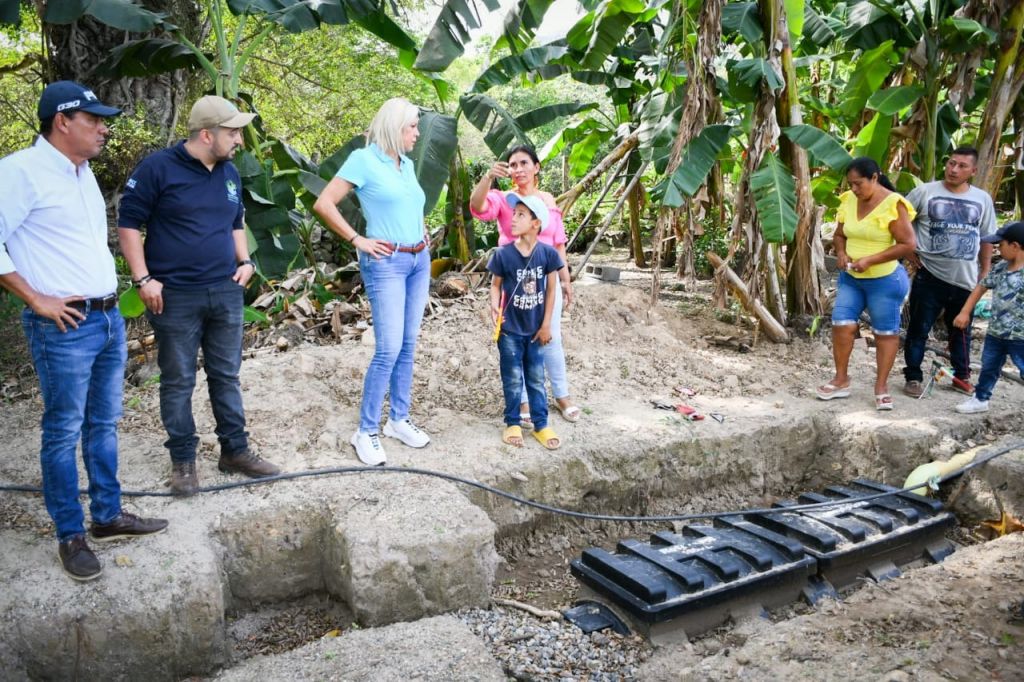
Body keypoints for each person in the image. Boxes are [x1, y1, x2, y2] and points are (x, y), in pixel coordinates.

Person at [0, 81, 167, 581]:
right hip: (64, 326)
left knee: (103, 422)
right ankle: (70, 535)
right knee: (63, 429)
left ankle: (108, 516)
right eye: (93, 119)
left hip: (108, 318)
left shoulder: (82, 172)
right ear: (61, 122)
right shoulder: (19, 173)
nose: (103, 127)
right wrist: (36, 298)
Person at [118, 95, 280, 496]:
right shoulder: (158, 168)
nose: (239, 139)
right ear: (207, 134)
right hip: (175, 296)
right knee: (178, 380)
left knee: (226, 375)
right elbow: (128, 224)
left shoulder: (229, 173)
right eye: (232, 132)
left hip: (225, 291)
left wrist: (246, 263)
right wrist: (143, 280)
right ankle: (184, 462)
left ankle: (235, 451)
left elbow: (236, 221)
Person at [312, 97, 432, 466]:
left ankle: (398, 419)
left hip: (418, 260)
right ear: (395, 127)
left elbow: (410, 208)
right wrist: (357, 240)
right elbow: (324, 203)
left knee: (408, 345)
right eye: (412, 127)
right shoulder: (364, 160)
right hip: (386, 263)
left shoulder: (407, 164)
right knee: (388, 348)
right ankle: (366, 430)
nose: (417, 133)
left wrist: (423, 236)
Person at [470, 145, 580, 428]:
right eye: (512, 164)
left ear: (536, 167)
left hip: (547, 275)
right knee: (516, 338)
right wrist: (486, 179)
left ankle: (562, 394)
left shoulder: (546, 200)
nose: (518, 169)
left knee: (550, 335)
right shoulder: (502, 199)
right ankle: (522, 400)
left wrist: (566, 279)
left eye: (523, 163)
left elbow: (558, 242)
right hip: (515, 277)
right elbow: (477, 206)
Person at [817, 157, 917, 410]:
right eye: (850, 184)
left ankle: (881, 386)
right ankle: (841, 380)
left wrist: (871, 259)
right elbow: (839, 235)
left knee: (885, 332)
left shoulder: (894, 205)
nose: (854, 189)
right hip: (851, 278)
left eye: (859, 184)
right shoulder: (849, 200)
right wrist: (840, 253)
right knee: (841, 324)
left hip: (884, 281)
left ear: (875, 177)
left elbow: (908, 245)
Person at [902, 146, 996, 398]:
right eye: (951, 163)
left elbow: (987, 237)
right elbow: (898, 221)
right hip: (929, 275)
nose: (954, 169)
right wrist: (910, 253)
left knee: (962, 331)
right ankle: (912, 377)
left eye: (962, 166)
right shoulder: (924, 192)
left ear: (973, 171)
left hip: (966, 279)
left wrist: (985, 269)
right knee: (918, 330)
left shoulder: (982, 199)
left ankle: (961, 377)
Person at [488, 193, 564, 450]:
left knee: (535, 378)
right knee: (511, 378)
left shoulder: (548, 254)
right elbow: (495, 286)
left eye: (521, 214)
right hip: (509, 330)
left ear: (536, 223)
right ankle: (512, 423)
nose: (513, 218)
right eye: (514, 213)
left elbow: (552, 290)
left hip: (535, 331)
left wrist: (546, 325)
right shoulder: (502, 254)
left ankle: (541, 425)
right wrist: (494, 307)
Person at [951, 222, 1024, 414]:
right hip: (996, 333)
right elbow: (981, 287)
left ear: (1015, 246)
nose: (997, 248)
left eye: (1001, 244)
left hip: (1021, 337)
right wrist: (965, 311)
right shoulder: (1000, 268)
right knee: (989, 367)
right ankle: (981, 398)